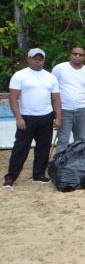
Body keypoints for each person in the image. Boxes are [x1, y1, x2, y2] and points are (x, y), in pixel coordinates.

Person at [4, 49, 61, 187]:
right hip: (26, 117)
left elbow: (56, 99)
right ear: (28, 59)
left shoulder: (50, 77)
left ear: (43, 60)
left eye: (40, 59)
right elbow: (13, 98)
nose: (37, 61)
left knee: (43, 147)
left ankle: (39, 174)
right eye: (34, 58)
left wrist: (58, 117)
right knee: (21, 147)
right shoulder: (20, 75)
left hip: (46, 116)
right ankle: (11, 177)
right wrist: (18, 118)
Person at [51, 46, 85, 154]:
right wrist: (55, 109)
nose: (77, 56)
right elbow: (52, 89)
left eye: (80, 55)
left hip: (82, 110)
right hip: (64, 110)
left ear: (84, 57)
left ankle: (77, 165)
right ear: (71, 55)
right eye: (75, 54)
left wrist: (83, 100)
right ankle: (60, 165)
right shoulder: (59, 68)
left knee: (80, 140)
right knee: (63, 140)